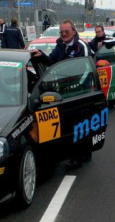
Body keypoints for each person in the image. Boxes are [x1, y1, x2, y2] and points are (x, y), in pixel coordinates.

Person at [30, 19, 92, 170]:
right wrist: (41, 55)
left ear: (74, 31)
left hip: (79, 92)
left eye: (66, 31)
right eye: (61, 31)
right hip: (63, 92)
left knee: (79, 123)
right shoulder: (60, 45)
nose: (64, 34)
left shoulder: (81, 46)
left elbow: (86, 69)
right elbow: (52, 62)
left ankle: (78, 156)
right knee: (70, 124)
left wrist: (77, 88)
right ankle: (82, 152)